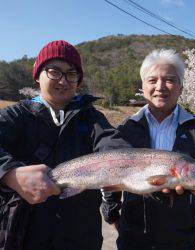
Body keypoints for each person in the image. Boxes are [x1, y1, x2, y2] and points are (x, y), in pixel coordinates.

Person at [101, 49, 195, 250]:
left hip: (182, 240)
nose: (160, 86)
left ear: (181, 87)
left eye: (169, 80)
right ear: (143, 86)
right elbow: (109, 171)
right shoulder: (125, 130)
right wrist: (112, 213)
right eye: (152, 80)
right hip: (132, 239)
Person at [0, 40, 131, 250]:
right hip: (22, 236)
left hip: (81, 238)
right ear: (37, 75)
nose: (63, 81)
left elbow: (113, 144)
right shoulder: (17, 116)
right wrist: (10, 174)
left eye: (71, 74)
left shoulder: (91, 118)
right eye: (54, 71)